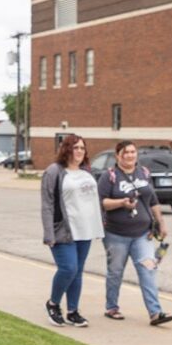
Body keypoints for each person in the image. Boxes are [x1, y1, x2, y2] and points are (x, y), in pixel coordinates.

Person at [97, 140, 172, 326]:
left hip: (143, 234)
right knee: (115, 272)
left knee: (148, 270)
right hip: (116, 234)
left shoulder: (144, 173)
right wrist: (121, 203)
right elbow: (101, 202)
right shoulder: (109, 177)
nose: (131, 155)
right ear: (118, 155)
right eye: (126, 152)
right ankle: (112, 307)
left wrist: (161, 223)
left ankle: (155, 313)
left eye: (133, 152)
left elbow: (153, 200)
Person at [40, 134, 105, 327]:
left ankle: (73, 311)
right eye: (75, 148)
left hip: (85, 230)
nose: (79, 151)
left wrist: (100, 225)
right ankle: (53, 304)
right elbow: (47, 205)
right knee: (69, 268)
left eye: (82, 148)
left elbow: (93, 201)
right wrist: (48, 233)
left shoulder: (86, 171)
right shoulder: (54, 171)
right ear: (66, 149)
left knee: (77, 273)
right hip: (64, 230)